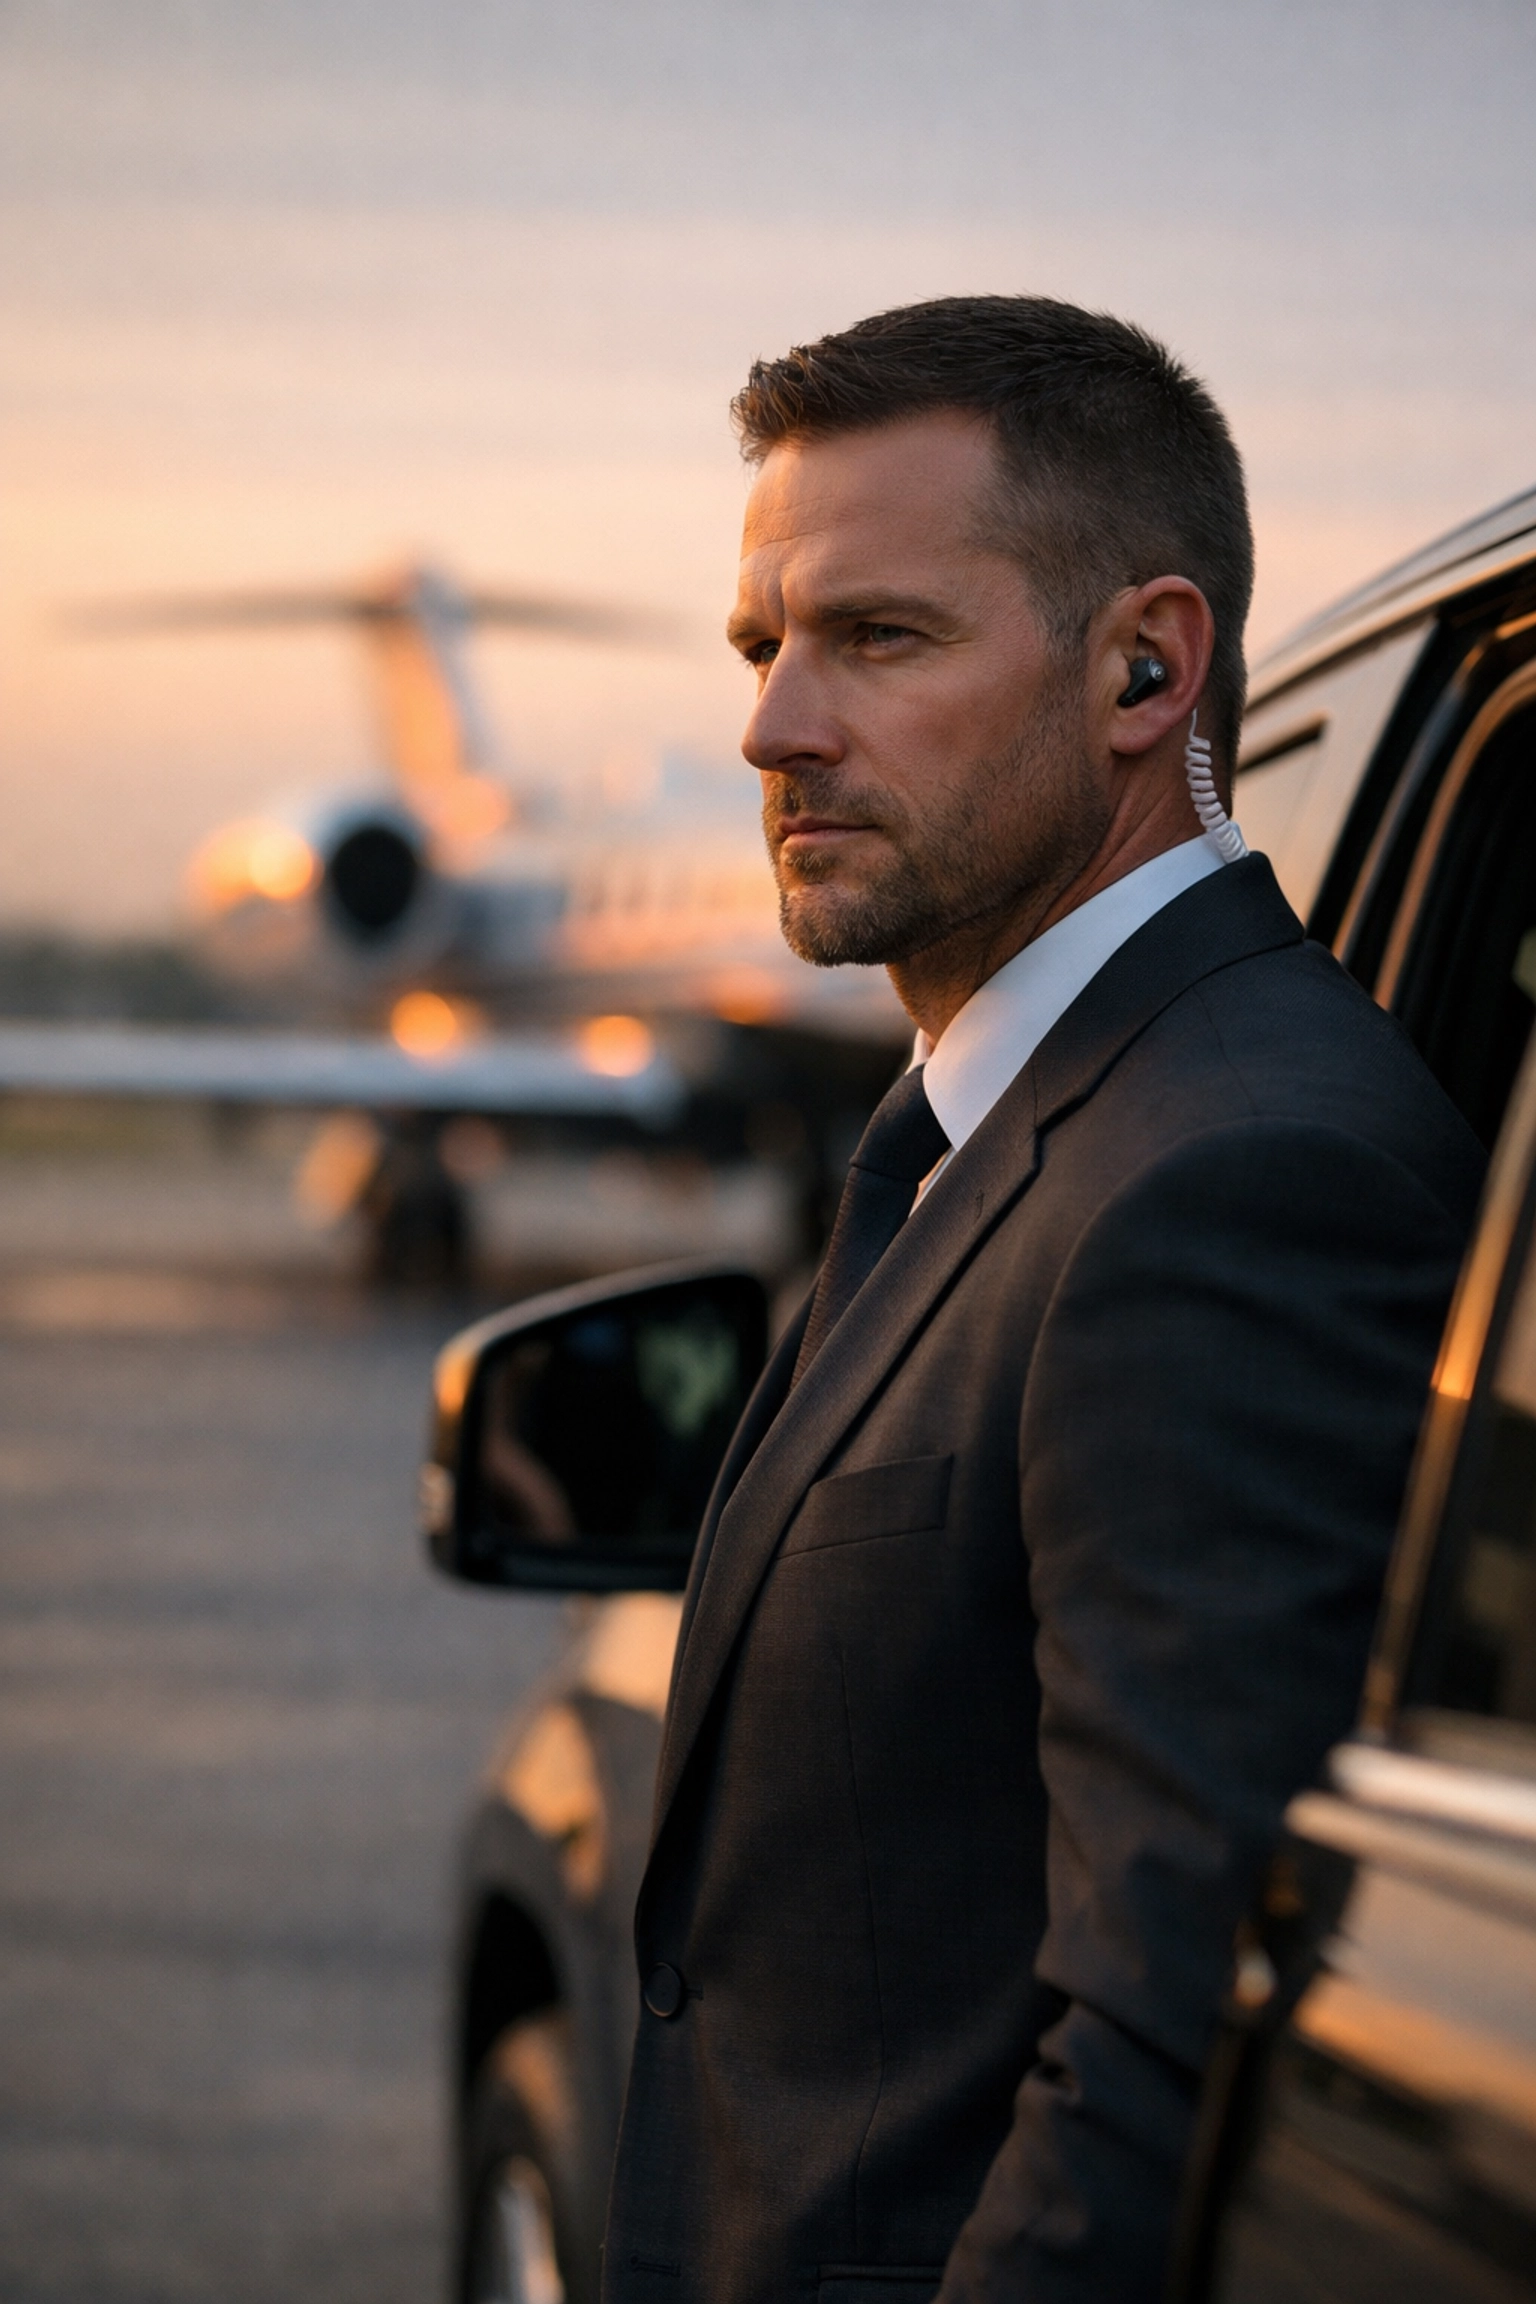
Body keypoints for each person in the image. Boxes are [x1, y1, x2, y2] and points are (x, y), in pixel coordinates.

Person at [601, 297, 1485, 2303]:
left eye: (878, 638)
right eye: (764, 647)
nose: (773, 728)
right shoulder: (1004, 1132)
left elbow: (1162, 2048)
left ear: (1143, 667)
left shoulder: (1239, 1181)